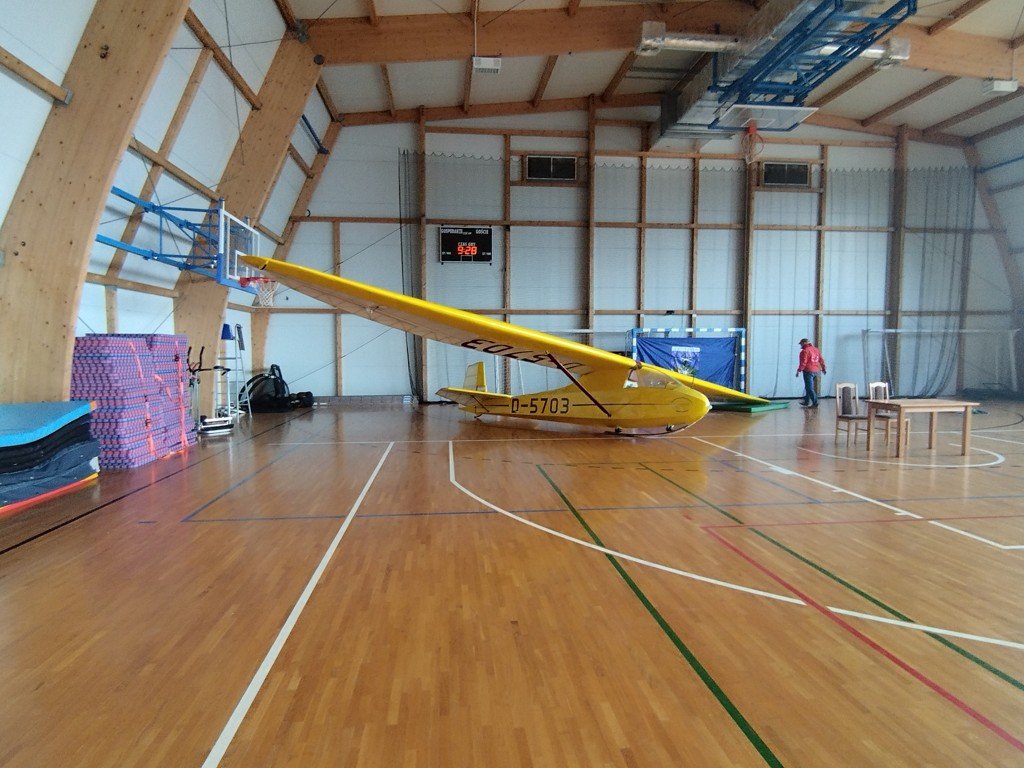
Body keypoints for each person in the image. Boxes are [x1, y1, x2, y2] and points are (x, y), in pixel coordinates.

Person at [796, 338, 826, 408]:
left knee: (809, 388)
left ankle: (815, 403)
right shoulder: (816, 349)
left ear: (804, 343)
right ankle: (806, 401)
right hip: (816, 371)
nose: (800, 345)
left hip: (808, 371)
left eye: (801, 344)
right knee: (808, 386)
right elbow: (821, 360)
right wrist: (823, 368)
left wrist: (799, 370)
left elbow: (803, 362)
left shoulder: (804, 351)